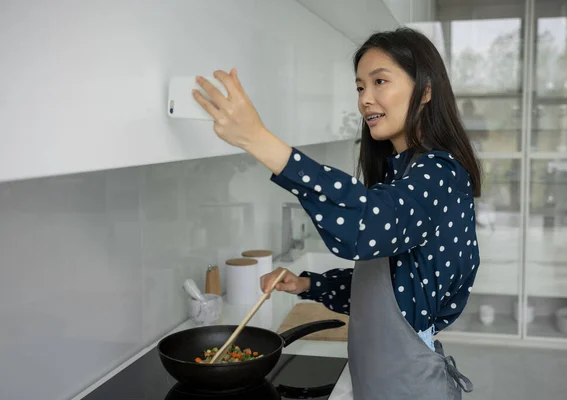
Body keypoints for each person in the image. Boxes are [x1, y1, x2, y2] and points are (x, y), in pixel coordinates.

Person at [193, 27, 479, 400]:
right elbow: (391, 287)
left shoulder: (439, 175)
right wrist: (309, 285)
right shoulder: (403, 173)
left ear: (425, 91)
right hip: (379, 381)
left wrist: (257, 138)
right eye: (360, 87)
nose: (365, 99)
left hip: (408, 387)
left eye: (380, 81)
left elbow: (364, 226)